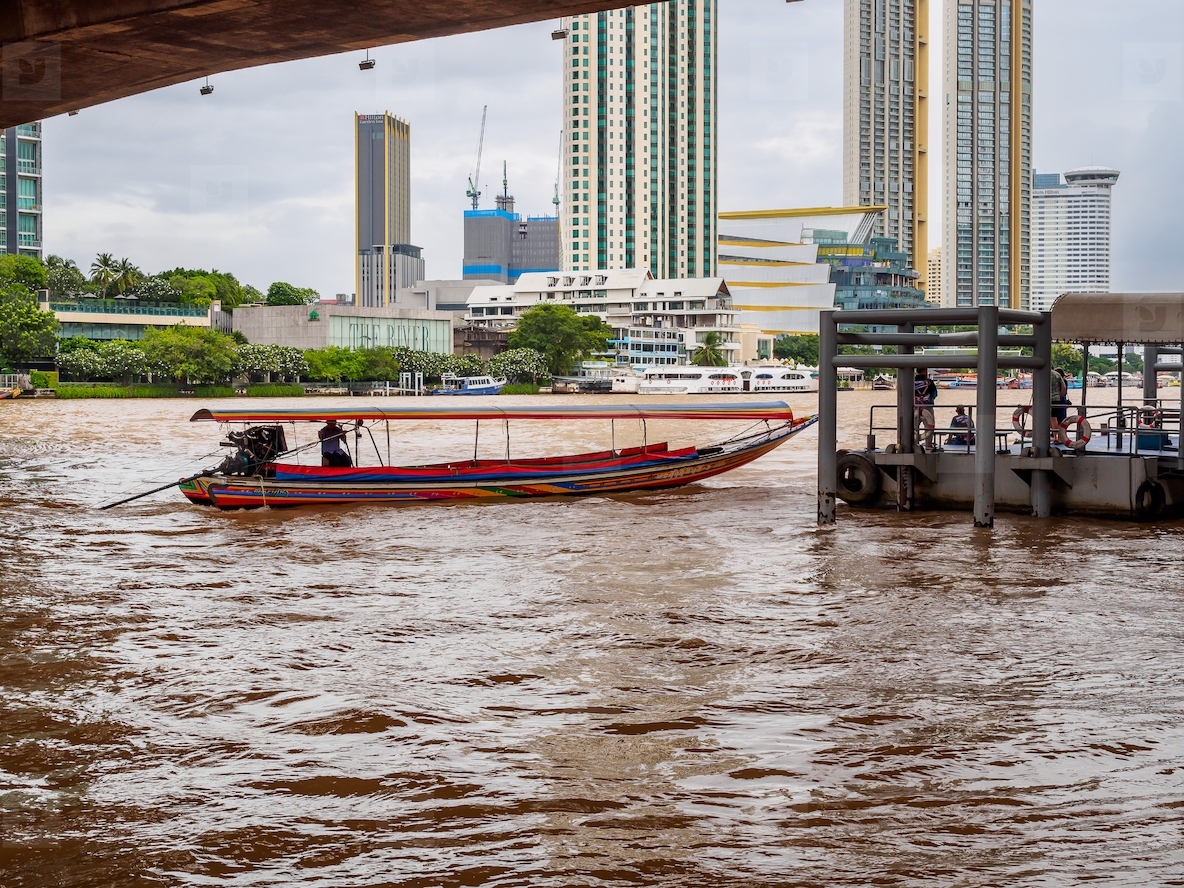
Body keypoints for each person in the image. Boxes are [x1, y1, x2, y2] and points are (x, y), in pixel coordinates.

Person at [913, 368, 938, 449]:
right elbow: (934, 394)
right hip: (928, 407)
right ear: (924, 371)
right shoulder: (929, 382)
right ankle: (928, 445)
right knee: (929, 427)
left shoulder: (911, 381)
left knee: (913, 427)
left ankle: (914, 444)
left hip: (915, 407)